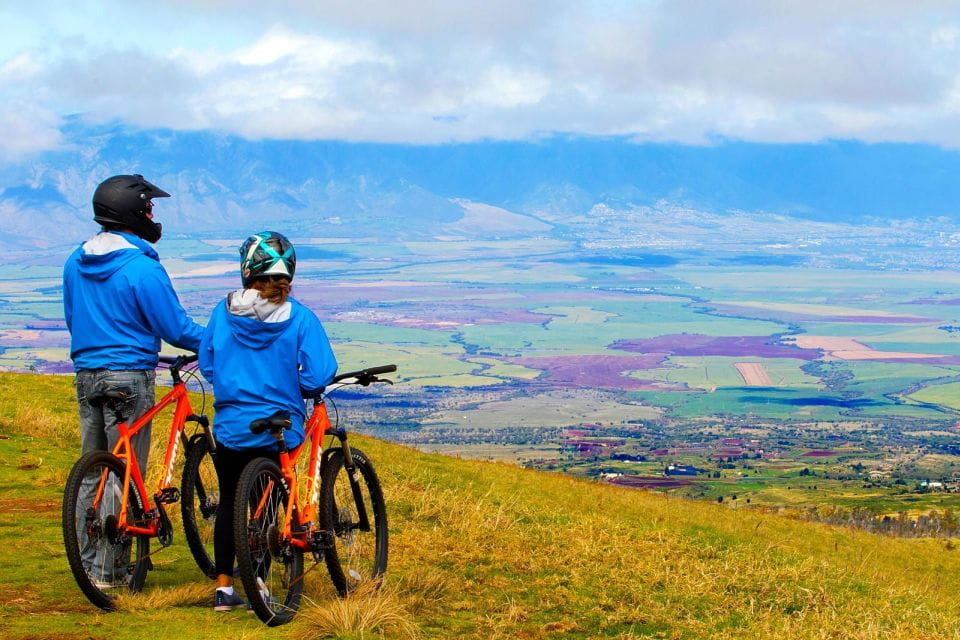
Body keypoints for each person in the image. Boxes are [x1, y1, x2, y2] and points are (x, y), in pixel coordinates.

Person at [62, 173, 204, 588]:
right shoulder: (141, 268)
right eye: (149, 207)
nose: (152, 214)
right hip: (129, 375)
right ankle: (111, 572)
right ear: (134, 212)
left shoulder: (75, 260)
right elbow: (175, 327)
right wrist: (217, 340)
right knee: (125, 472)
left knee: (94, 470)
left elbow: (74, 317)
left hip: (87, 374)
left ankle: (91, 564)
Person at [199, 230, 337, 611]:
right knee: (270, 504)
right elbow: (319, 375)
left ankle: (225, 588)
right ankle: (261, 581)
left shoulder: (222, 311)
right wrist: (295, 385)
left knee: (230, 500)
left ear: (247, 270)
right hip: (281, 426)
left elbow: (207, 362)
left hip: (231, 425)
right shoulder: (301, 318)